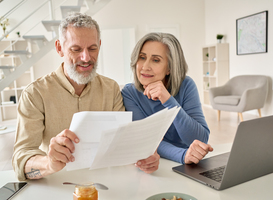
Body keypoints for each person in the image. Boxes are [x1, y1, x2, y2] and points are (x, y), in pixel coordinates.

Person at [12, 13, 159, 181]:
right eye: (76, 49)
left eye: (92, 48)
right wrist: (48, 163)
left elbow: (123, 145)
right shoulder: (35, 94)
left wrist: (144, 157)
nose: (86, 58)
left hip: (106, 185)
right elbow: (20, 159)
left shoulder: (111, 89)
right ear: (59, 48)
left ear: (100, 45)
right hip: (57, 187)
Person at [121, 32, 213, 165]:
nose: (145, 67)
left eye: (156, 60)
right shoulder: (130, 93)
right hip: (155, 163)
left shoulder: (186, 85)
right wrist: (182, 155)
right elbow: (146, 139)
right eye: (142, 57)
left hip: (187, 163)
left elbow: (200, 138)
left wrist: (169, 102)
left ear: (170, 67)